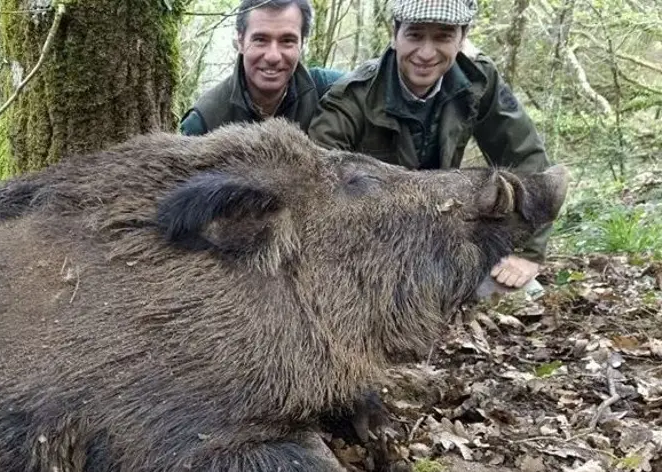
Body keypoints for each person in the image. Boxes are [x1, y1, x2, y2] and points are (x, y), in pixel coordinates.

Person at [309, 0, 551, 290]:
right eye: (415, 34)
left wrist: (527, 252)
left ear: (462, 37)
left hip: (446, 238)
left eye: (443, 36)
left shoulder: (477, 83)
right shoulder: (353, 97)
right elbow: (315, 184)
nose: (426, 53)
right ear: (394, 34)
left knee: (523, 293)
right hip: (369, 244)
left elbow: (527, 161)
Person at [179, 0, 343, 136]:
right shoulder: (205, 121)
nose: (273, 56)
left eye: (287, 41)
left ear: (302, 44)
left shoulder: (331, 92)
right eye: (260, 39)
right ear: (240, 41)